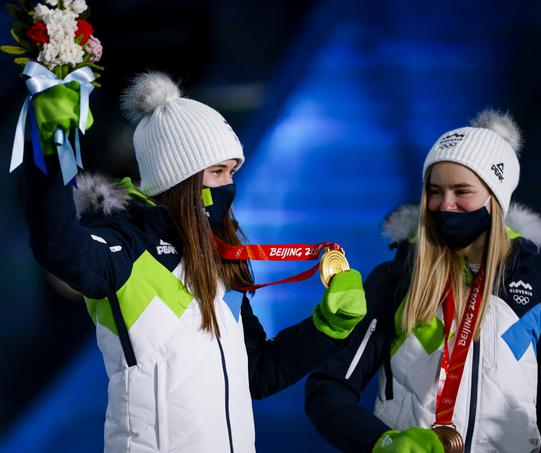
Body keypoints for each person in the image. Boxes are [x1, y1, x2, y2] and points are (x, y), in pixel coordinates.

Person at [23, 71, 366, 453]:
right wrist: (51, 148)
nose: (228, 187)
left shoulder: (222, 257)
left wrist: (328, 328)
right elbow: (56, 244)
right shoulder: (127, 244)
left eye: (232, 172)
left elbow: (258, 375)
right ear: (180, 179)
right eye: (217, 172)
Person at [305, 110, 541, 453]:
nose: (444, 205)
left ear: (495, 200)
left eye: (461, 191)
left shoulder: (539, 296)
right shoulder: (397, 282)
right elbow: (327, 388)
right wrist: (383, 442)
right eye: (435, 191)